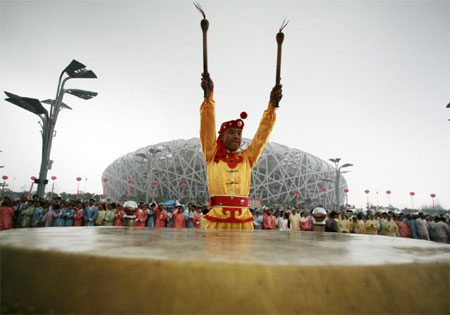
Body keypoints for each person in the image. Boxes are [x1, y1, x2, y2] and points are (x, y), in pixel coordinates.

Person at [200, 73, 282, 230]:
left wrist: (272, 107)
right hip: (216, 221)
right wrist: (208, 98)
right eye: (231, 132)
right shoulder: (212, 154)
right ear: (221, 137)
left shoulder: (247, 158)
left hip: (243, 222)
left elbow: (261, 136)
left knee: (243, 255)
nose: (237, 137)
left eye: (239, 134)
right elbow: (207, 125)